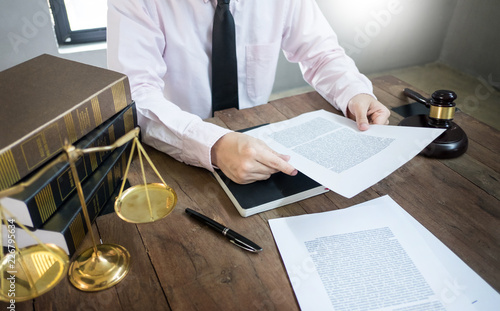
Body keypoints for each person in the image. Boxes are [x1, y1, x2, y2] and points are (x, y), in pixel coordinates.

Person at [107, 0, 391, 185]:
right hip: (172, 143)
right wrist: (215, 145)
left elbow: (321, 53)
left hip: (258, 139)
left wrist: (353, 92)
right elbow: (134, 94)